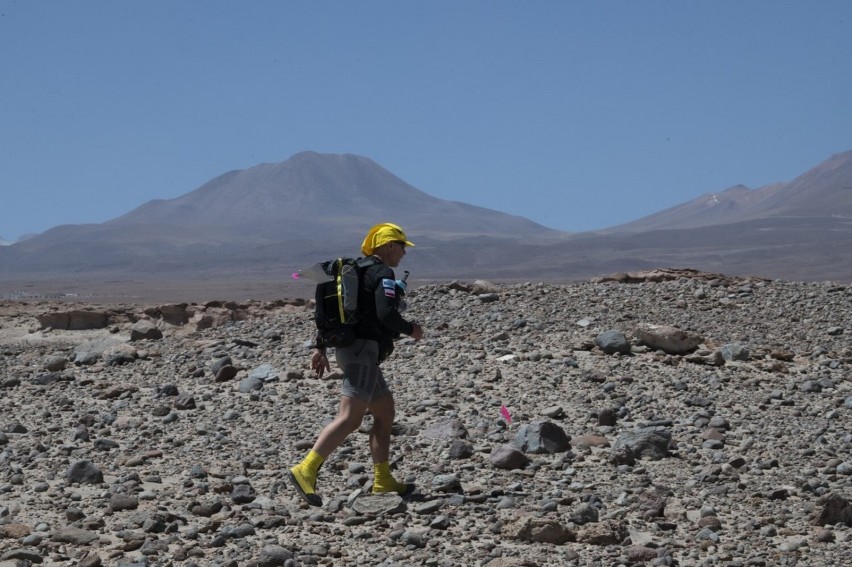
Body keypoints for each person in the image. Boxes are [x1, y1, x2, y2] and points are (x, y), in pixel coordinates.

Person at [289, 222, 425, 507]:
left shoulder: (351, 272)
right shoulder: (381, 273)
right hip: (362, 352)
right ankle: (306, 468)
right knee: (350, 417)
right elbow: (386, 314)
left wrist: (320, 347)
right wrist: (410, 328)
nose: (404, 254)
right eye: (401, 247)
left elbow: (330, 312)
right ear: (388, 246)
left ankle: (383, 479)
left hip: (353, 351)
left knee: (385, 411)